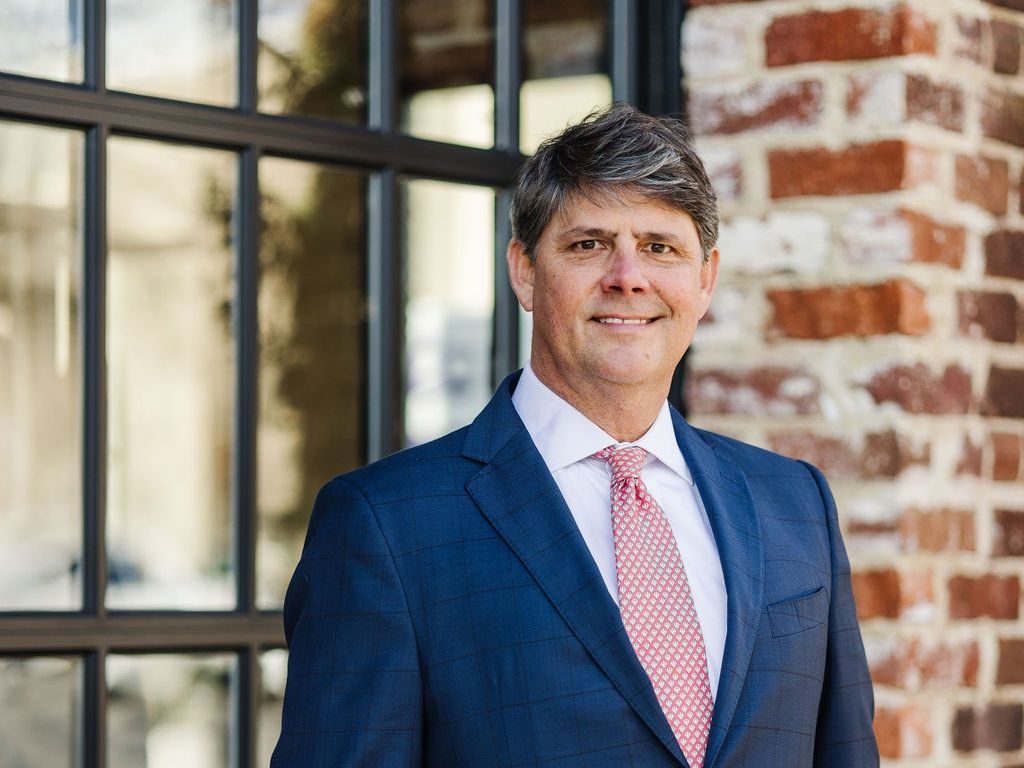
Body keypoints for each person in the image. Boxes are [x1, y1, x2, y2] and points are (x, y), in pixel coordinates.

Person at [271, 103, 878, 768]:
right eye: (588, 244)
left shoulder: (795, 503)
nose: (627, 277)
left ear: (704, 279)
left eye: (660, 247)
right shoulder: (384, 527)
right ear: (525, 270)